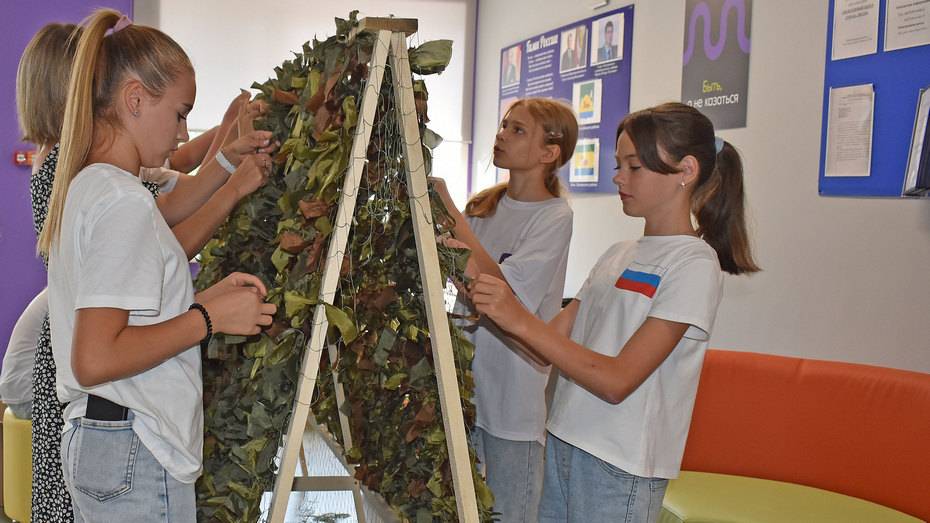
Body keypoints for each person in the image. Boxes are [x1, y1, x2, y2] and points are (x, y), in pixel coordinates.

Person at [15, 21, 274, 522]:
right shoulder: (120, 200)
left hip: (109, 441)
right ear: (135, 99)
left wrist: (204, 301)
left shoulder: (92, 185)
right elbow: (95, 357)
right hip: (133, 447)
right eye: (179, 114)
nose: (181, 134)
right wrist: (206, 317)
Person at [469, 102, 760, 522]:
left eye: (634, 167)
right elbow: (541, 349)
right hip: (564, 443)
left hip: (619, 467)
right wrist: (498, 306)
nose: (618, 177)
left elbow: (617, 380)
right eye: (618, 164)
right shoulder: (618, 254)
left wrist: (516, 316)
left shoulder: (693, 264)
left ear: (686, 171)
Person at [431, 97, 578, 523]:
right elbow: (463, 281)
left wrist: (451, 215)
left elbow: (502, 293)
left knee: (509, 513)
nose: (501, 136)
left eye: (517, 131)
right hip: (466, 393)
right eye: (503, 126)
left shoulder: (554, 217)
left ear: (549, 153)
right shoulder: (482, 207)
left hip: (513, 403)